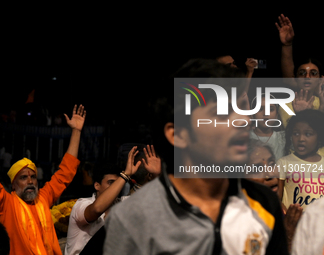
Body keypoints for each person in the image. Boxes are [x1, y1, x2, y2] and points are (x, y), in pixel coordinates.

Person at [103, 59, 288, 255]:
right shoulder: (133, 218)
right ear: (179, 134)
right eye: (223, 113)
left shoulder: (263, 202)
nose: (243, 121)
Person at [0, 105, 86, 255]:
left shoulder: (43, 198)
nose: (30, 181)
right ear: (13, 184)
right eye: (23, 177)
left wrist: (76, 131)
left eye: (33, 177)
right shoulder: (6, 204)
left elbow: (66, 171)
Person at [275, 14, 324, 128]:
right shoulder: (287, 105)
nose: (307, 76)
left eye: (313, 73)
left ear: (321, 78)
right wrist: (287, 45)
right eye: (302, 73)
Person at [277, 109, 324, 212]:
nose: (301, 139)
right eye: (296, 133)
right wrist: (287, 216)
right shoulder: (284, 163)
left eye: (308, 134)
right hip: (294, 224)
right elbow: (276, 198)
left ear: (319, 137)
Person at [249, 94, 286, 161]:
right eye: (260, 109)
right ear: (252, 115)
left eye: (271, 109)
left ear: (276, 115)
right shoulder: (246, 138)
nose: (266, 113)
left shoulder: (283, 138)